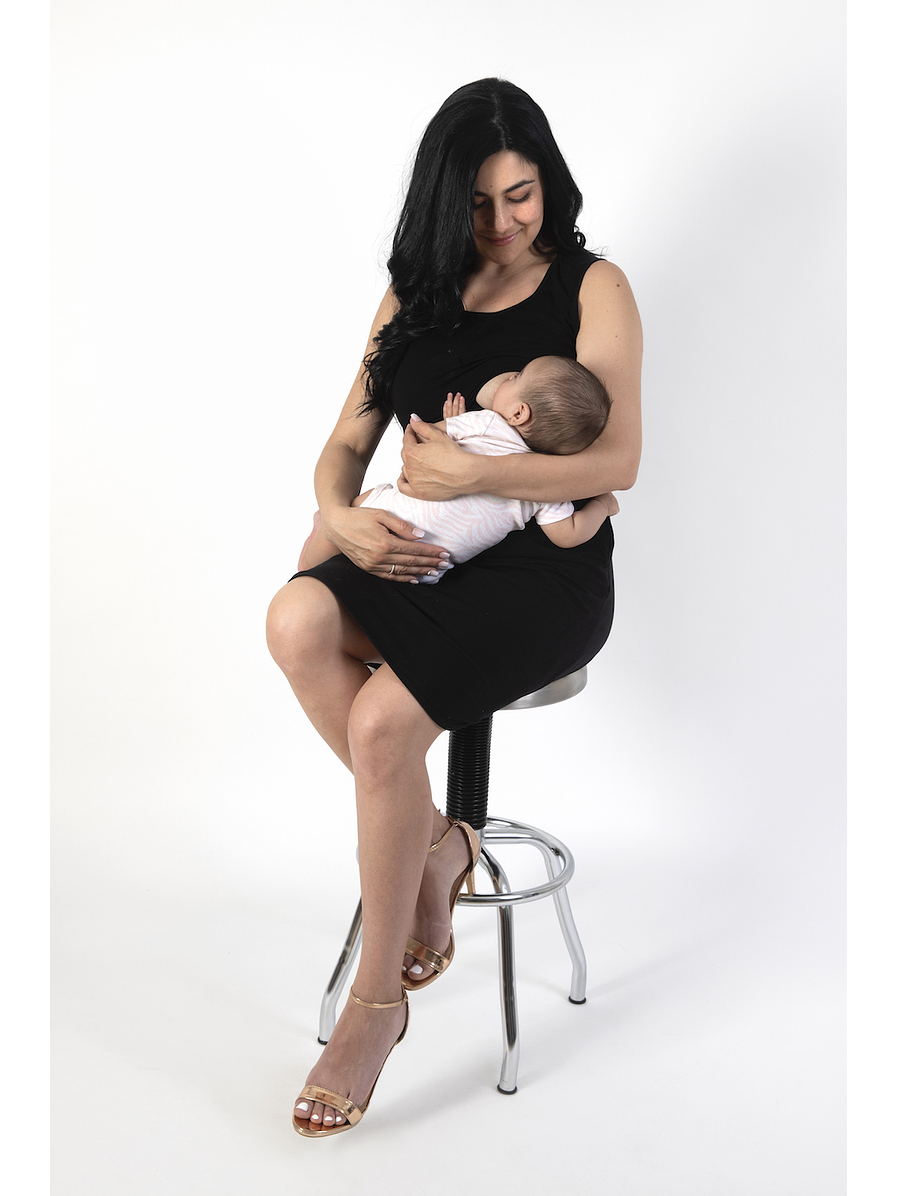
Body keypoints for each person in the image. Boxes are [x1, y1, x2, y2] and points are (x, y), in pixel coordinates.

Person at [266, 77, 642, 1137]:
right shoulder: (414, 292)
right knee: (294, 619)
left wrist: (475, 477)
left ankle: (375, 1006)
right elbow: (347, 441)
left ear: (548, 182)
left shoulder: (594, 286)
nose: (504, 222)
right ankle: (436, 842)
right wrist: (339, 516)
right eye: (477, 204)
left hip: (541, 574)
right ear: (443, 202)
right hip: (418, 546)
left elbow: (617, 459)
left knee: (385, 722)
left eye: (520, 195)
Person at [298, 355, 620, 581]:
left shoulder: (488, 423)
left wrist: (454, 427)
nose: (510, 376)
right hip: (424, 567)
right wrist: (602, 506)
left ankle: (309, 561)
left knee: (336, 533)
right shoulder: (546, 487)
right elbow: (567, 534)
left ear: (519, 413)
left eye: (517, 377)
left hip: (387, 513)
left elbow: (421, 435)